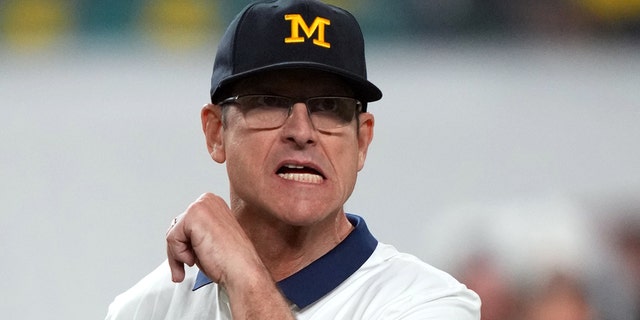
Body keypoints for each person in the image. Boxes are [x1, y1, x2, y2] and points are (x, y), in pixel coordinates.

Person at [105, 0, 481, 318]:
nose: (301, 131)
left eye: (329, 107)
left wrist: (245, 275)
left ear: (362, 140)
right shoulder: (145, 309)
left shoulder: (428, 303)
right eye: (269, 101)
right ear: (216, 132)